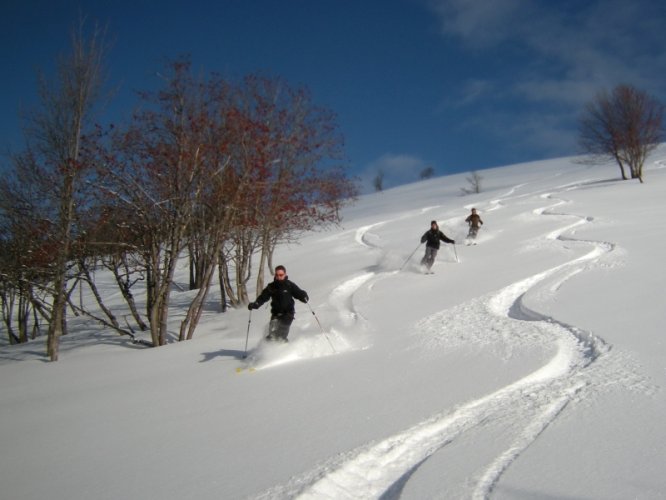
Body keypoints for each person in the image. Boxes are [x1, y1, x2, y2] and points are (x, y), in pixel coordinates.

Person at [248, 265, 309, 342]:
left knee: (281, 334)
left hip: (288, 314)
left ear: (285, 274)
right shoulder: (271, 286)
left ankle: (284, 350)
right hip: (276, 314)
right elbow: (263, 297)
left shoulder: (289, 285)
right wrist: (256, 304)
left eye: (281, 275)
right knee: (271, 335)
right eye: (277, 275)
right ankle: (267, 350)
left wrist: (304, 296)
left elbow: (298, 293)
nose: (279, 277)